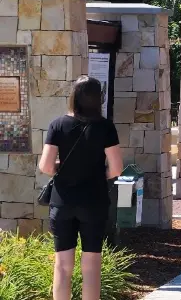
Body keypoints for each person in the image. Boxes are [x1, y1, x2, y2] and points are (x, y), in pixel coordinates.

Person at [39, 76, 123, 300]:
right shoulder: (105, 127)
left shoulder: (57, 125)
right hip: (94, 201)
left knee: (62, 265)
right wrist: (96, 173)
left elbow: (46, 166)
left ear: (73, 97)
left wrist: (62, 167)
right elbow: (116, 169)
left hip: (62, 202)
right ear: (99, 99)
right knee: (91, 265)